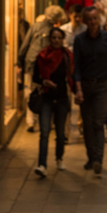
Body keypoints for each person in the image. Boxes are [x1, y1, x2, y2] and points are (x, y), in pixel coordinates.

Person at [73, 6, 107, 176]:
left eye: (95, 18)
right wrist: (78, 89)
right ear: (84, 21)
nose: (93, 22)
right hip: (86, 86)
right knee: (87, 124)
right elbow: (76, 68)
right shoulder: (80, 40)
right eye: (90, 19)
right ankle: (90, 157)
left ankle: (98, 159)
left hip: (103, 86)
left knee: (98, 122)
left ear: (99, 18)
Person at [18, 6, 68, 131]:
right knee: (43, 91)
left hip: (30, 63)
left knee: (29, 91)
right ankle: (43, 120)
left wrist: (19, 60)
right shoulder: (54, 31)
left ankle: (30, 121)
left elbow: (25, 45)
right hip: (44, 66)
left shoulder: (35, 26)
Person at [33, 28, 74, 177]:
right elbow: (35, 77)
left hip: (62, 98)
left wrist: (78, 91)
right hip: (46, 98)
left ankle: (59, 158)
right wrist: (44, 81)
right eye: (53, 37)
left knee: (60, 132)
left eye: (59, 38)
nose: (56, 40)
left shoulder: (67, 56)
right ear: (50, 39)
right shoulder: (42, 56)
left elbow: (72, 76)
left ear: (62, 39)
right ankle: (42, 164)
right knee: (44, 132)